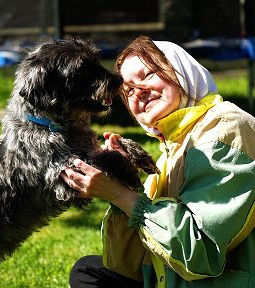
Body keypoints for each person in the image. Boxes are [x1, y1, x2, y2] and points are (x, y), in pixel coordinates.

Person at [61, 35, 255, 288]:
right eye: (128, 90)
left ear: (181, 71)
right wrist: (125, 182)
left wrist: (120, 195)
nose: (138, 91)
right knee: (89, 270)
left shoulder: (224, 127)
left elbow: (199, 254)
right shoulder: (171, 148)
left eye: (149, 74)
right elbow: (127, 266)